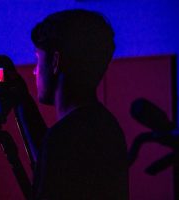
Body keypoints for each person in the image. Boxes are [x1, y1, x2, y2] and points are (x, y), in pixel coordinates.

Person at [12, 9, 128, 199]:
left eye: (37, 59)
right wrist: (21, 98)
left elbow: (53, 152)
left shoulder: (63, 139)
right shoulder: (107, 126)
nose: (34, 71)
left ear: (55, 62)